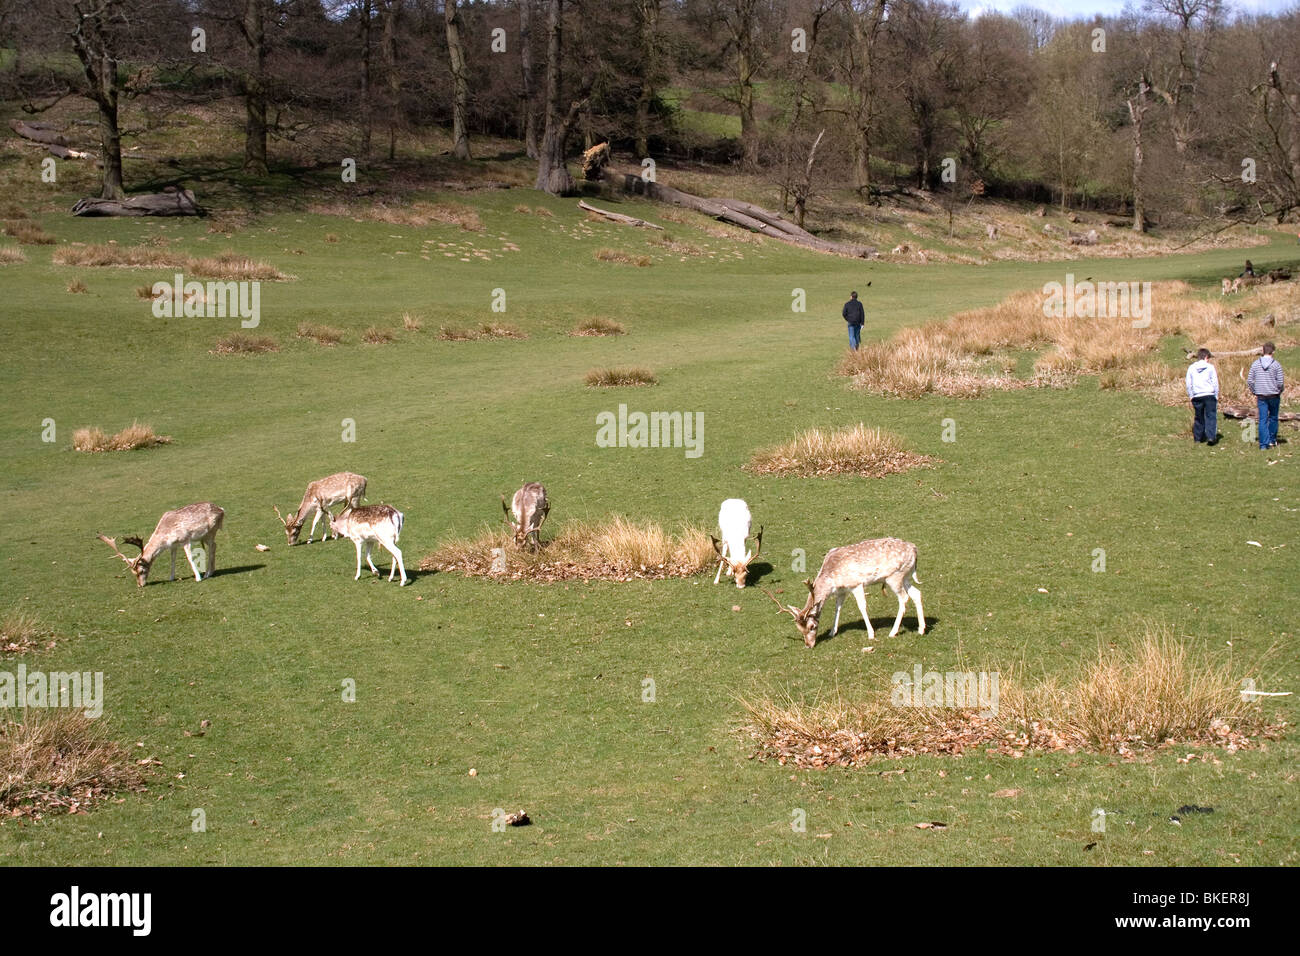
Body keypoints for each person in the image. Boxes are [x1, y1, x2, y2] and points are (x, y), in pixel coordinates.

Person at [1247, 342, 1285, 450]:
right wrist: (1279, 390)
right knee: (1273, 417)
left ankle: (1263, 444)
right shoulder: (1276, 364)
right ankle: (1272, 440)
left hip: (1261, 395)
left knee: (1263, 419)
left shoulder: (1255, 364)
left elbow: (1250, 380)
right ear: (1273, 351)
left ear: (1262, 351)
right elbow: (1280, 382)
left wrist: (1255, 391)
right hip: (1274, 394)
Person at [1185, 348, 1219, 445]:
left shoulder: (1191, 367)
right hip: (1209, 394)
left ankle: (1198, 438)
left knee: (1199, 416)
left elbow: (1188, 383)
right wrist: (1216, 395)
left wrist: (1191, 395)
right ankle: (1211, 437)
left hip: (1197, 395)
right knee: (1211, 416)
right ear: (1206, 357)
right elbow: (1215, 382)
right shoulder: (1210, 367)